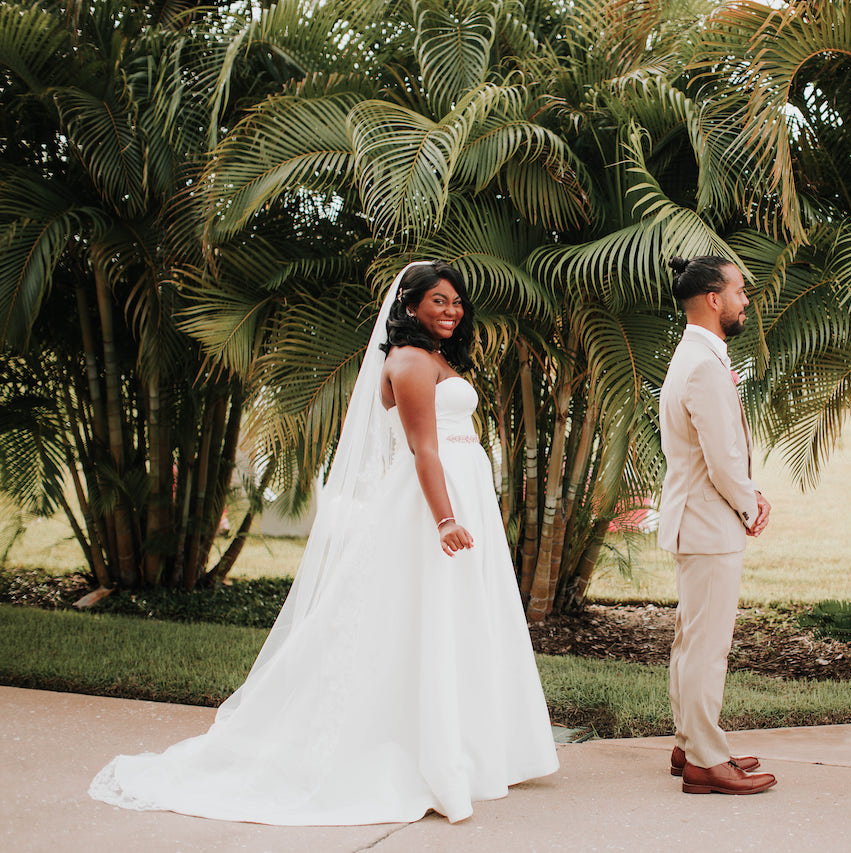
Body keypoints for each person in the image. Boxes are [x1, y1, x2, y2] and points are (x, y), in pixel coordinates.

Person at [89, 260, 558, 825]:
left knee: (454, 618)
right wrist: (444, 519)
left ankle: (471, 746)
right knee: (424, 616)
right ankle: (424, 749)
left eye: (457, 302)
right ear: (409, 306)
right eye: (439, 301)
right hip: (430, 504)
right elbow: (422, 449)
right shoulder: (408, 361)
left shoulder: (436, 357)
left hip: (462, 493)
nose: (452, 310)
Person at [658, 255, 776, 796]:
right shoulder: (704, 364)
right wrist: (751, 506)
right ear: (713, 297)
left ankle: (692, 742)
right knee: (708, 646)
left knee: (692, 639)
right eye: (739, 290)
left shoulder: (691, 354)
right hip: (709, 523)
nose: (745, 299)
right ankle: (706, 759)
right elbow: (723, 458)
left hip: (696, 519)